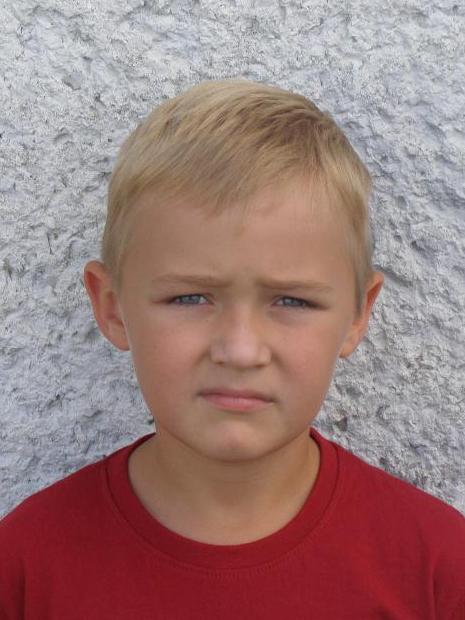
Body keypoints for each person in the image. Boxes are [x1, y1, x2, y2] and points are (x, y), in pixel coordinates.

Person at [1, 79, 464, 619]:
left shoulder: (438, 569)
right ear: (112, 307)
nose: (241, 351)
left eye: (292, 301)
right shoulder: (25, 567)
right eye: (189, 297)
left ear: (357, 314)